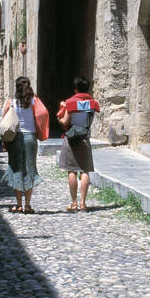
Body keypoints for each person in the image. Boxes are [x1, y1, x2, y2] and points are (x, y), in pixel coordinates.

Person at [1, 76, 49, 214]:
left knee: (16, 169)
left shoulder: (11, 102)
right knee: (29, 169)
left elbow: (4, 121)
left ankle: (18, 204)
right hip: (30, 138)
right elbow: (44, 113)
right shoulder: (34, 100)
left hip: (16, 138)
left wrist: (4, 141)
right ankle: (28, 205)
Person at [56, 78, 100, 212]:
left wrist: (59, 117)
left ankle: (74, 202)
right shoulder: (93, 104)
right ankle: (83, 203)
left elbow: (65, 122)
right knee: (84, 170)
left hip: (72, 138)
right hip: (84, 137)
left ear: (75, 89)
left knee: (72, 170)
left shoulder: (70, 103)